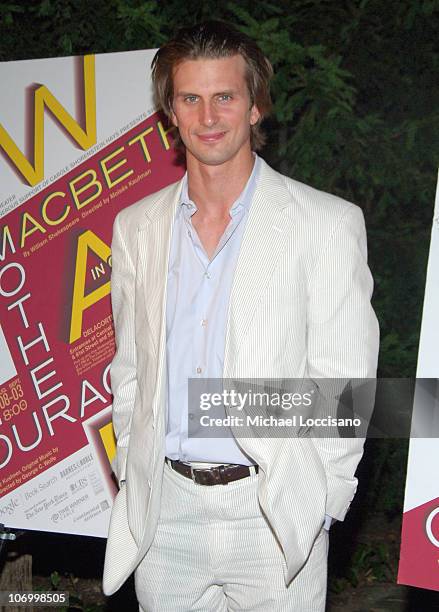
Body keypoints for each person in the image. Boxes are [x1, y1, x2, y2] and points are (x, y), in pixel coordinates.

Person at [102, 20, 379, 611]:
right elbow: (129, 371)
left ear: (255, 108)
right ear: (170, 114)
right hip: (166, 512)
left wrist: (322, 499)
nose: (208, 117)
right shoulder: (136, 230)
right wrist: (133, 469)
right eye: (190, 98)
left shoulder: (324, 225)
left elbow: (346, 388)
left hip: (271, 511)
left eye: (225, 96)